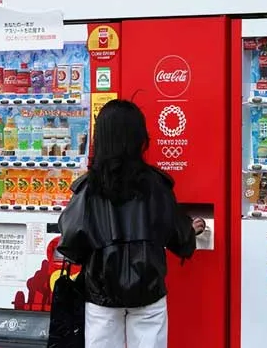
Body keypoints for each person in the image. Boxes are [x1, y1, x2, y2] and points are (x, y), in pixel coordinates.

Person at [57, 99, 205, 348]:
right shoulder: (157, 185)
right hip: (149, 293)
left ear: (101, 138)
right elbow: (179, 238)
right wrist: (191, 230)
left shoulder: (89, 187)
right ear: (139, 137)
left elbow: (70, 240)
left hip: (101, 295)